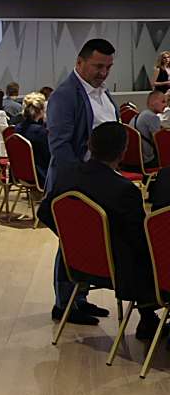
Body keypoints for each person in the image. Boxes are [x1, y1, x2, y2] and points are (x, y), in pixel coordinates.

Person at [38, 122, 158, 340]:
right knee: (151, 257)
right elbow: (141, 240)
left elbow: (44, 212)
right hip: (117, 270)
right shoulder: (124, 190)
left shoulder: (67, 177)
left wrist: (71, 240)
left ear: (89, 145)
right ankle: (148, 319)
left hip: (77, 262)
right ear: (123, 152)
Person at [47, 38, 119, 326]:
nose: (104, 72)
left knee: (88, 243)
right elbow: (60, 147)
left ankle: (80, 297)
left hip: (100, 182)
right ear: (80, 62)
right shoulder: (66, 95)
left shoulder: (103, 93)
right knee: (70, 243)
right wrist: (80, 182)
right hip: (76, 183)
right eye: (98, 66)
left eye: (108, 67)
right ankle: (64, 304)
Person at [14, 92, 51, 182]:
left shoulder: (17, 128)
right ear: (41, 110)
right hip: (41, 175)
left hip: (23, 174)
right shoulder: (40, 132)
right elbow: (49, 157)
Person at [131, 89, 166, 166]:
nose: (165, 105)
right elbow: (159, 144)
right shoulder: (153, 117)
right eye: (163, 102)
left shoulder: (140, 114)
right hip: (148, 161)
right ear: (153, 102)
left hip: (133, 161)